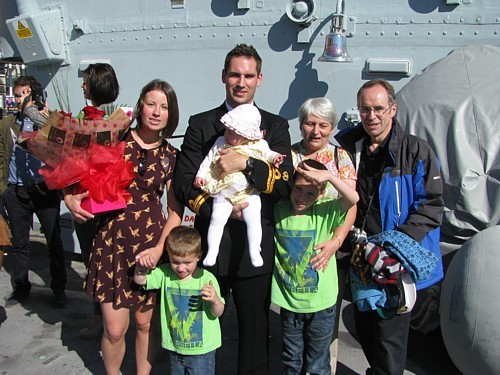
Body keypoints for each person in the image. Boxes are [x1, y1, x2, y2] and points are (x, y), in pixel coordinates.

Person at [173, 43, 294, 374]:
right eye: (235, 75)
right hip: (210, 247)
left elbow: (284, 184)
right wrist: (220, 209)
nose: (242, 82)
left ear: (260, 79)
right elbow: (183, 182)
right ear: (224, 77)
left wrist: (247, 163)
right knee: (201, 325)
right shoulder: (202, 124)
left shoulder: (276, 125)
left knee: (255, 332)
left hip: (254, 251)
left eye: (249, 75)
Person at [65, 79, 184, 375]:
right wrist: (69, 198)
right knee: (115, 329)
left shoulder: (172, 156)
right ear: (140, 105)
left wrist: (159, 249)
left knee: (145, 323)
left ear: (171, 114)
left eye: (164, 106)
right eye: (151, 103)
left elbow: (174, 211)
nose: (156, 112)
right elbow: (74, 172)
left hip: (150, 246)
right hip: (112, 242)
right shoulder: (114, 139)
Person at [335, 79, 444, 375]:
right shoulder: (346, 148)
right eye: (365, 109)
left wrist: (397, 245)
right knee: (366, 329)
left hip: (394, 261)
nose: (372, 116)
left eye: (379, 108)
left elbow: (430, 205)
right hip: (361, 257)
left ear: (392, 109)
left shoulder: (415, 152)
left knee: (389, 338)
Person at [272, 159, 359, 374]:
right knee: (291, 359)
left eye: (310, 193)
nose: (301, 198)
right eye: (298, 189)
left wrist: (329, 176)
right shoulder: (279, 209)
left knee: (318, 361)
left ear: (320, 195)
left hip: (321, 304)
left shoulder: (325, 211)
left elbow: (353, 198)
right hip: (290, 303)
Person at [291, 97, 357, 372]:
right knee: (293, 330)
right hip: (294, 250)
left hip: (328, 249)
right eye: (309, 123)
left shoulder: (340, 157)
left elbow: (351, 205)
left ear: (331, 128)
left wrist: (336, 242)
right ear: (301, 125)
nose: (315, 131)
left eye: (323, 125)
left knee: (324, 325)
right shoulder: (290, 155)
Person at [0, 76, 67, 308]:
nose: (21, 100)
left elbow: (62, 146)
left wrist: (42, 117)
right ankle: (21, 287)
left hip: (44, 190)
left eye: (25, 95)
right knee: (19, 244)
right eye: (18, 95)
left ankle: (59, 289)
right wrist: (4, 189)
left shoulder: (48, 121)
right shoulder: (7, 123)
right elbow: (1, 157)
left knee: (54, 242)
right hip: (16, 191)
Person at [64, 63, 120, 339]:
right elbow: (69, 159)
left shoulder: (122, 118)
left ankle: (118, 317)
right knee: (92, 262)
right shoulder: (80, 119)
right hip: (86, 201)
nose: (82, 86)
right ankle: (100, 315)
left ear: (97, 83)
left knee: (114, 262)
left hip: (111, 202)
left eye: (86, 81)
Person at [194, 104, 285, 267]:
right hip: (223, 190)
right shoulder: (220, 142)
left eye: (231, 132)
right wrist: (201, 175)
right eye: (227, 130)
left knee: (253, 220)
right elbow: (208, 160)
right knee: (216, 219)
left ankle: (254, 251)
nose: (226, 133)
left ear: (245, 135)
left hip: (248, 193)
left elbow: (269, 155)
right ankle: (212, 251)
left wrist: (276, 157)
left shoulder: (259, 144)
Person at [134, 226, 225, 375]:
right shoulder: (165, 273)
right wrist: (140, 267)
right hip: (175, 347)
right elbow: (140, 280)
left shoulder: (207, 279)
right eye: (175, 262)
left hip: (202, 351)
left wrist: (215, 300)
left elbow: (218, 313)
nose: (181, 268)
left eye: (187, 262)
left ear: (198, 256)